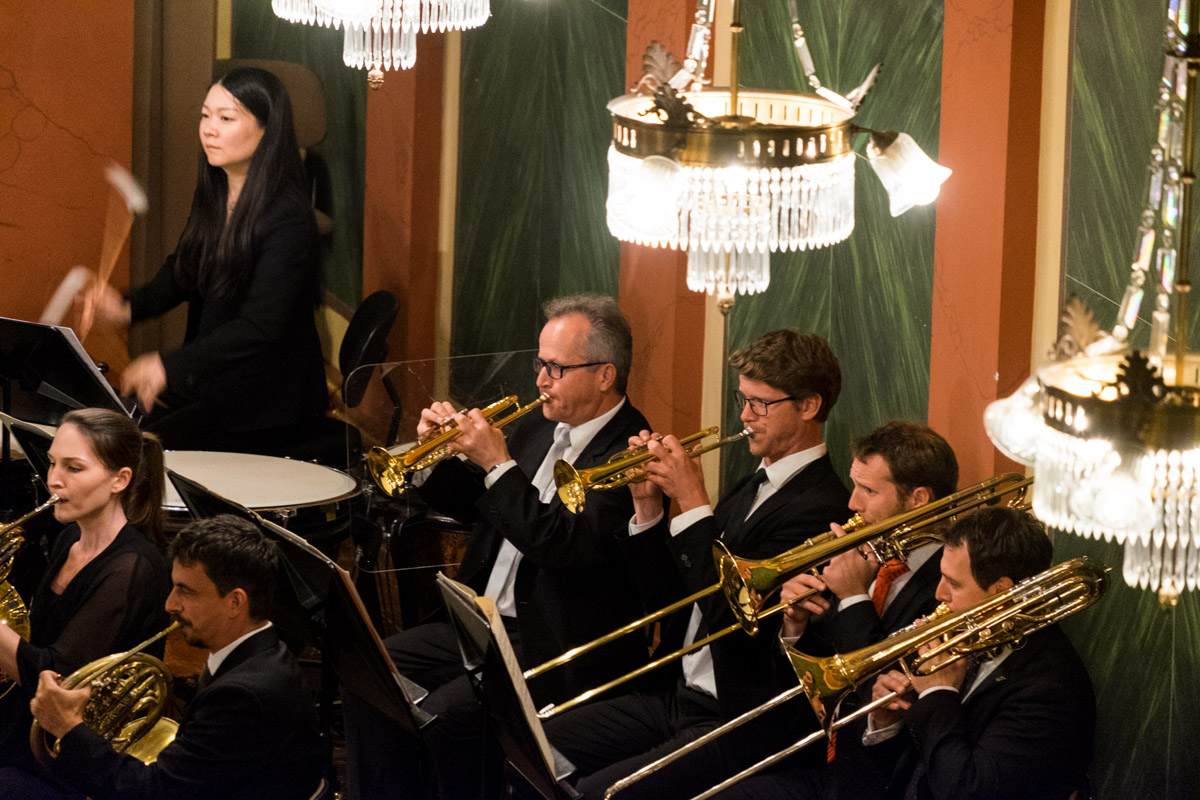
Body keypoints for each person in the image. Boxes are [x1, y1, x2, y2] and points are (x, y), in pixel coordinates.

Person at [342, 293, 662, 799]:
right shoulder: (540, 423)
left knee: (445, 718)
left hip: (550, 642)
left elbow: (562, 546)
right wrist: (434, 457)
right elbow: (481, 506)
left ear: (605, 375)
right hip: (479, 618)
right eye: (540, 364)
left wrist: (497, 463)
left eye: (556, 368)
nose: (540, 380)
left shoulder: (631, 453)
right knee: (367, 672)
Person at [543, 329, 852, 800]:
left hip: (734, 716)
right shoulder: (751, 487)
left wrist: (691, 500)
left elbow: (737, 621)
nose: (744, 416)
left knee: (600, 793)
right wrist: (648, 508)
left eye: (760, 404)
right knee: (534, 746)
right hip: (678, 694)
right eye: (743, 399)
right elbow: (674, 600)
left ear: (809, 406)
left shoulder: (821, 507)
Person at [710, 421, 959, 800]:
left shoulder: (948, 583)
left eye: (869, 491)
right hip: (808, 754)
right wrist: (794, 626)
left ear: (918, 499)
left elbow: (886, 690)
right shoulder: (865, 552)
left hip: (873, 780)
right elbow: (819, 677)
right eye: (855, 486)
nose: (852, 503)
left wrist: (854, 597)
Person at [87, 66, 326, 454]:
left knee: (136, 453)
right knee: (107, 430)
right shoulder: (217, 192)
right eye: (205, 115)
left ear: (267, 130)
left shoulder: (288, 217)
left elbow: (259, 328)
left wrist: (166, 365)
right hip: (216, 382)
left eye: (226, 118)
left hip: (266, 400)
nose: (209, 130)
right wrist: (127, 308)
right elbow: (182, 271)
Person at [28, 514, 325, 800]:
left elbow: (154, 792)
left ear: (235, 602)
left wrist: (69, 727)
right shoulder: (262, 653)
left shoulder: (243, 696)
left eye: (186, 591)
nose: (170, 605)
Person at [848, 505, 1095, 800]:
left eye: (953, 583)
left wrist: (937, 694)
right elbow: (916, 763)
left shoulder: (1050, 691)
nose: (939, 594)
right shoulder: (966, 632)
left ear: (1001, 591)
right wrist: (886, 724)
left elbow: (965, 790)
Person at [0, 408, 171, 795]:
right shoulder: (70, 539)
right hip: (24, 723)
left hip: (68, 757)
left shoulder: (132, 569)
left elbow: (55, 681)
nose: (53, 480)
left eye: (73, 468)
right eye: (52, 463)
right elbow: (36, 636)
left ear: (119, 479)